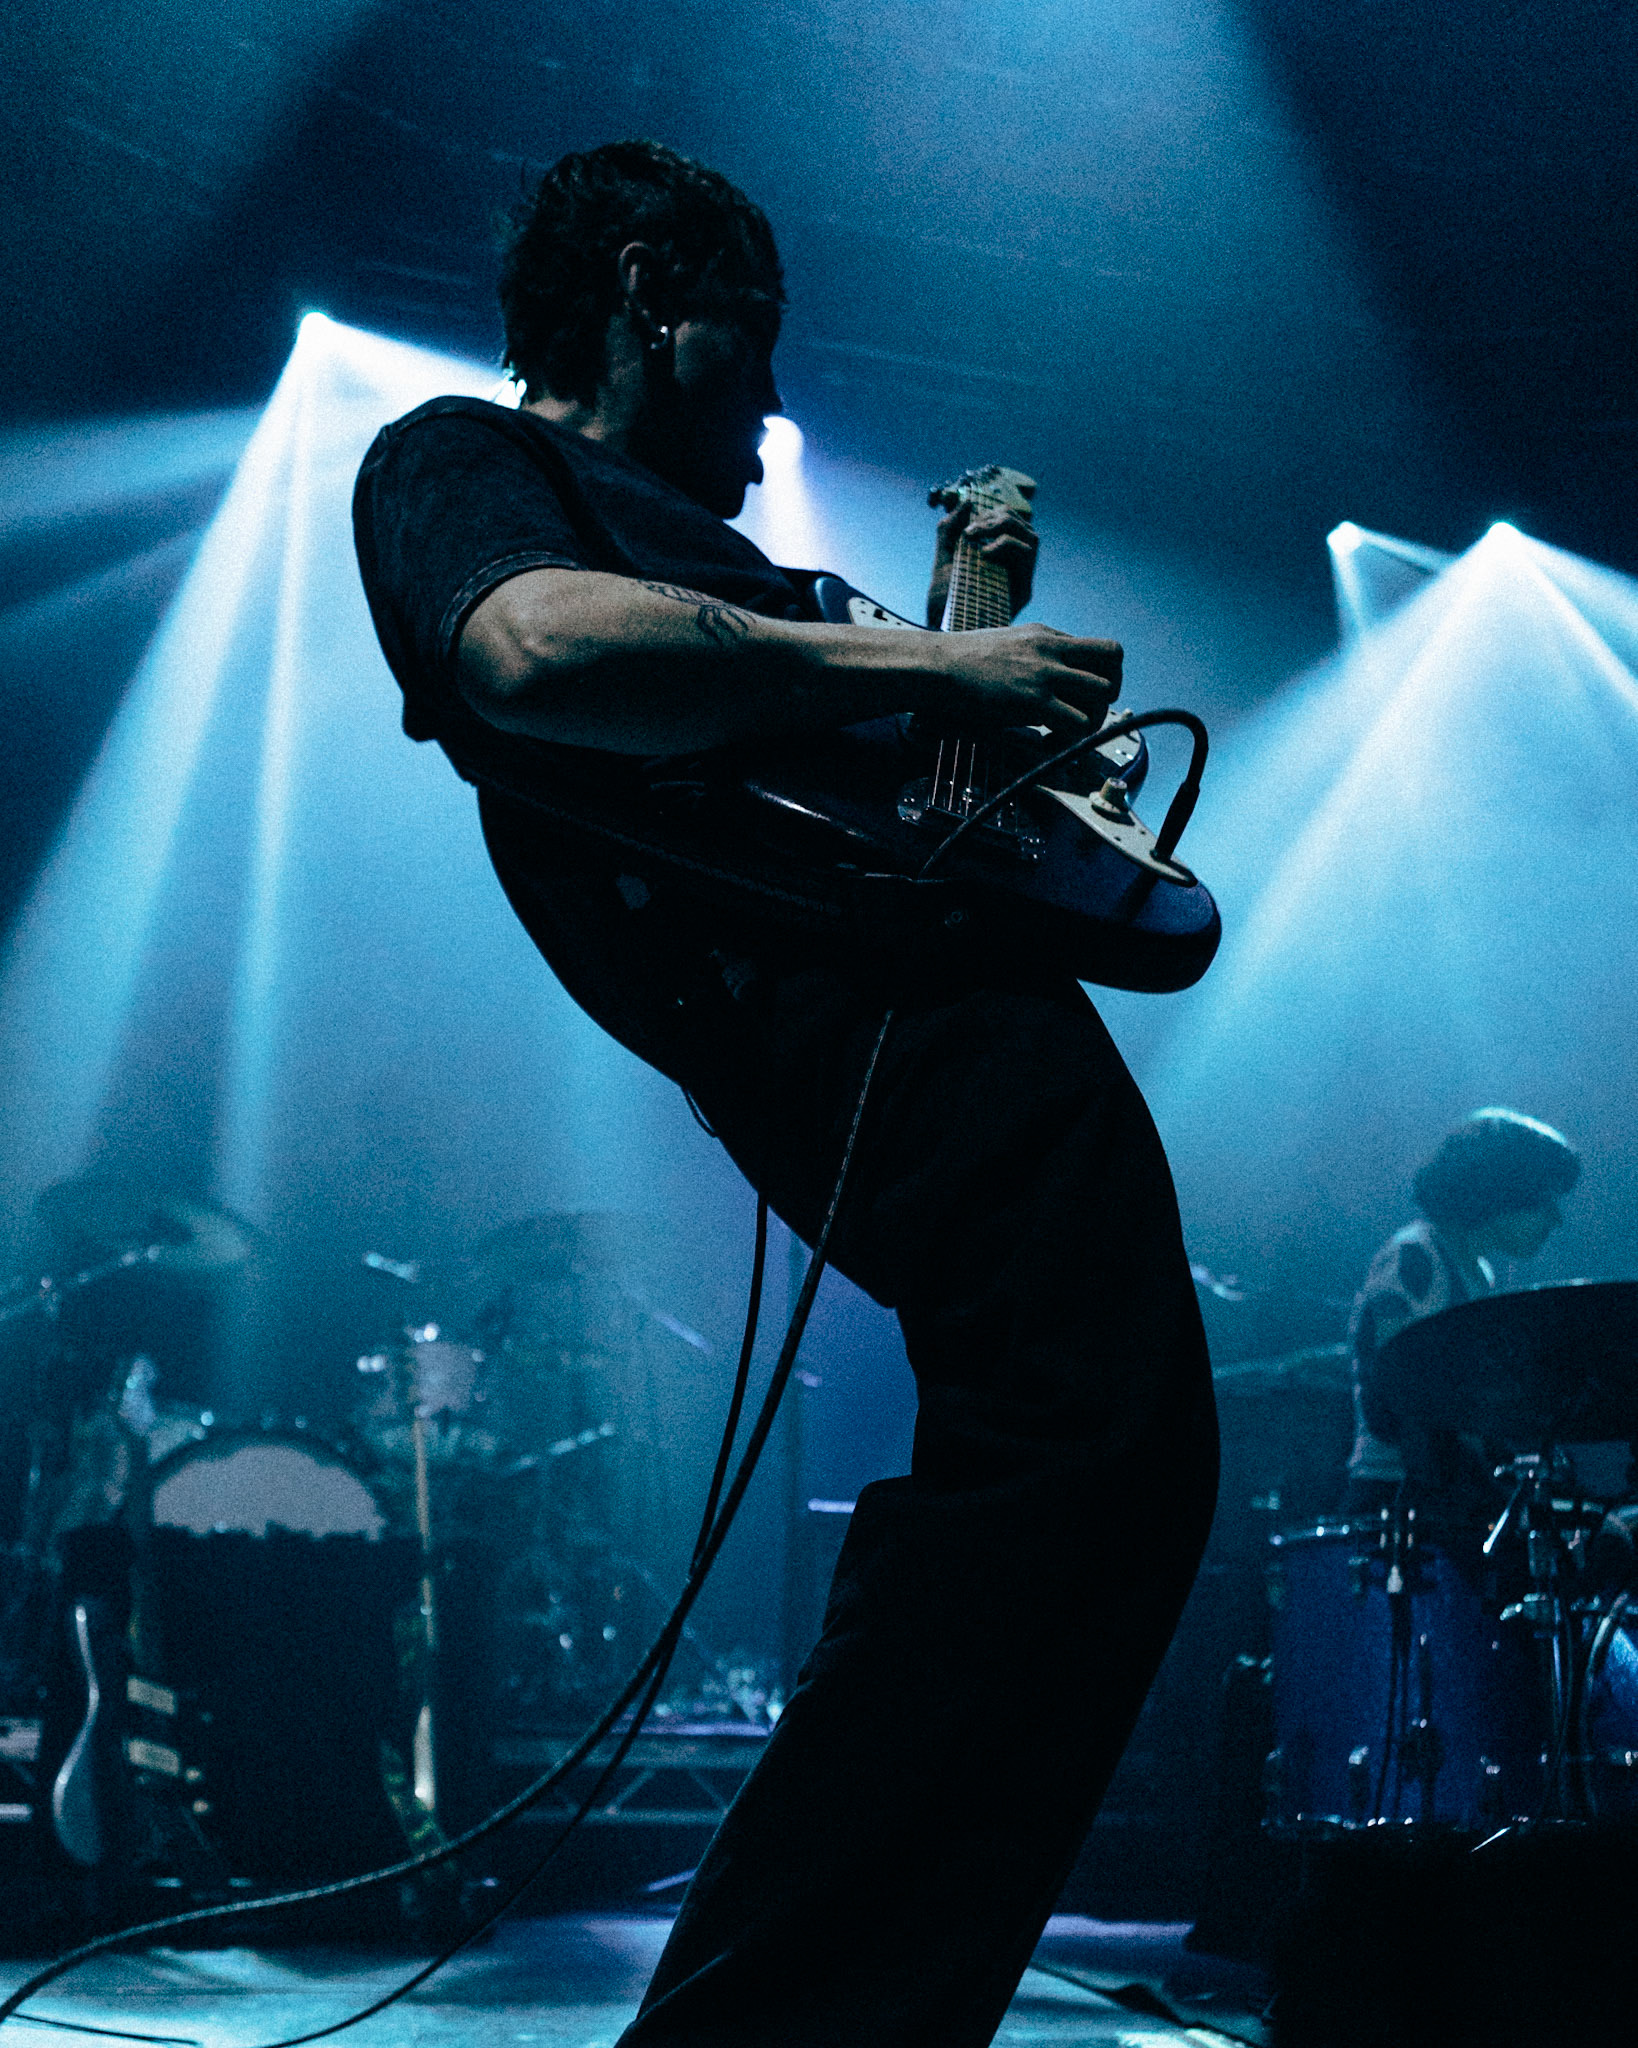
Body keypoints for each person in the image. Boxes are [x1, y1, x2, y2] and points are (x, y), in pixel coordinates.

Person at [353, 140, 1216, 2048]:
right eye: (754, 347)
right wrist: (935, 657)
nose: (767, 413)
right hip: (860, 1037)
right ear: (656, 291)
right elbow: (526, 650)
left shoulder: (768, 577)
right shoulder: (458, 462)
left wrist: (968, 665)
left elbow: (923, 812)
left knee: (1088, 1461)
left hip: (927, 1009)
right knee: (1084, 1442)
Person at [1343, 1106, 1581, 1524]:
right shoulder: (1415, 1259)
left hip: (1450, 1500)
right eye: (1544, 1200)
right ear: (1501, 1192)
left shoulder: (1475, 1272)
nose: (1555, 1219)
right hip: (1404, 1507)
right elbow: (1417, 1422)